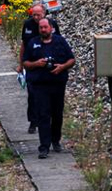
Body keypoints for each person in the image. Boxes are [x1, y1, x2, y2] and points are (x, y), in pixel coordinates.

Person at [22, 18, 75, 159]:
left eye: (45, 27)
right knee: (43, 115)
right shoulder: (33, 43)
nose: (43, 30)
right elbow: (26, 63)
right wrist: (37, 64)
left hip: (57, 84)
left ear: (51, 28)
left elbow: (71, 60)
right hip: (40, 86)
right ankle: (44, 146)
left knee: (57, 114)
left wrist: (62, 67)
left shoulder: (60, 41)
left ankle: (55, 140)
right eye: (41, 27)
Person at [17, 4, 61, 135]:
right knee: (32, 95)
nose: (36, 17)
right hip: (32, 64)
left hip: (49, 64)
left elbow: (58, 43)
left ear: (44, 13)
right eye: (33, 15)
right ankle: (33, 121)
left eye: (38, 15)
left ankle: (50, 122)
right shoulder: (28, 25)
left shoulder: (52, 25)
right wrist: (21, 64)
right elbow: (23, 45)